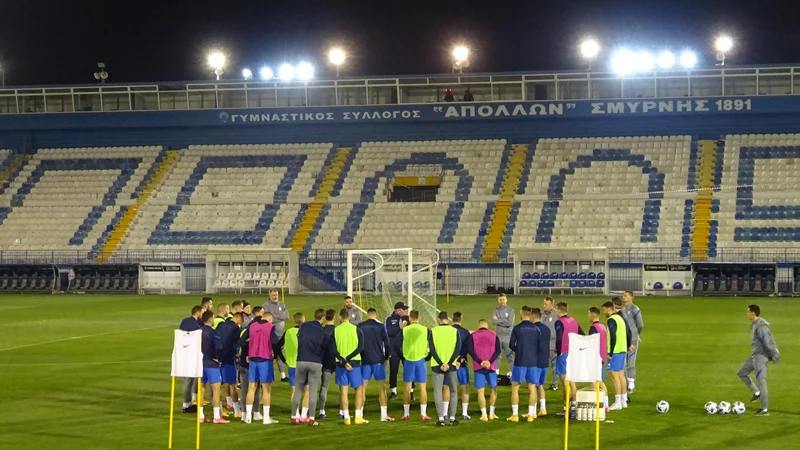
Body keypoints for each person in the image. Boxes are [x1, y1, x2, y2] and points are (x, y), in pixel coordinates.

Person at [292, 308, 334, 426]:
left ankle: (293, 416)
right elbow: (324, 348)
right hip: (315, 362)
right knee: (312, 391)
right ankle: (311, 418)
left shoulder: (304, 326)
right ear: (323, 318)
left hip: (301, 360)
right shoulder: (323, 331)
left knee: (298, 389)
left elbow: (299, 337)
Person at [239, 311, 281, 424]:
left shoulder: (252, 326)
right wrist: (275, 355)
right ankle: (266, 418)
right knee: (266, 389)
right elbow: (275, 342)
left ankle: (248, 417)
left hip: (253, 361)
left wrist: (249, 352)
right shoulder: (270, 327)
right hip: (265, 360)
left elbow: (242, 341)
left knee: (251, 388)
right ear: (270, 319)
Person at [737, 304, 780, 416]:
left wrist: (773, 355)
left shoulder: (761, 327)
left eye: (748, 312)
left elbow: (767, 342)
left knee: (761, 382)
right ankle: (757, 393)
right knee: (741, 372)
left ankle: (764, 409)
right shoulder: (755, 325)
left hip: (760, 358)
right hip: (754, 356)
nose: (746, 314)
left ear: (753, 313)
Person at [358, 308, 395, 422]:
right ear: (375, 315)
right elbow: (387, 344)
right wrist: (386, 357)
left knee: (362, 389)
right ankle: (383, 415)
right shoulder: (380, 326)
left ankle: (359, 414)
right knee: (382, 389)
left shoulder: (360, 326)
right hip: (378, 360)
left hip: (365, 361)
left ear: (367, 315)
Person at [394, 310, 431, 421]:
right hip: (421, 360)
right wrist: (428, 357)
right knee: (422, 388)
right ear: (419, 318)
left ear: (410, 318)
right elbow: (432, 345)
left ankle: (406, 414)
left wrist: (402, 357)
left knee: (407, 388)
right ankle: (423, 414)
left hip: (409, 360)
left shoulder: (404, 330)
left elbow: (395, 344)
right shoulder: (425, 330)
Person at [333, 308, 367, 425]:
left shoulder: (335, 330)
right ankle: (358, 416)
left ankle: (347, 417)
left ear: (340, 317)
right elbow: (361, 347)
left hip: (340, 364)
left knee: (343, 391)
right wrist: (349, 358)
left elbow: (333, 350)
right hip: (355, 363)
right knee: (359, 389)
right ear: (349, 317)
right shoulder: (356, 329)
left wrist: (343, 360)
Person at [507, 306, 540, 423]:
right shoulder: (536, 329)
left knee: (515, 387)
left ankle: (515, 415)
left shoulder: (517, 328)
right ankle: (531, 414)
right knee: (532, 388)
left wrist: (519, 350)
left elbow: (511, 344)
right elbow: (539, 346)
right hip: (532, 362)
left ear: (521, 313)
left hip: (520, 361)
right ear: (530, 314)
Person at [429, 311, 461, 427]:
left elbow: (432, 349)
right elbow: (458, 349)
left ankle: (441, 419)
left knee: (438, 391)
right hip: (451, 365)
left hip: (437, 365)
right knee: (453, 391)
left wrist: (441, 363)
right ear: (448, 319)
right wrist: (448, 362)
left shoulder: (433, 331)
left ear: (439, 319)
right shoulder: (454, 331)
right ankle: (452, 418)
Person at [277, 313, 310, 422]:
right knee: (307, 390)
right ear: (303, 320)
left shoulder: (288, 332)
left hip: (292, 365)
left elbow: (277, 347)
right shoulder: (306, 332)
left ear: (294, 320)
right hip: (305, 365)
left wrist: (284, 359)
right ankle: (304, 415)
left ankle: (295, 415)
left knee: (295, 391)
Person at [466, 319, 500, 421]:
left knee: (481, 391)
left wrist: (480, 361)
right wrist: (489, 361)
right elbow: (498, 350)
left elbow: (470, 350)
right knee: (493, 389)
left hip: (478, 367)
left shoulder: (473, 336)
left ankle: (484, 415)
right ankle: (492, 413)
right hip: (491, 367)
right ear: (487, 326)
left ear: (478, 326)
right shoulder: (494, 335)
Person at [554, 301, 584, 414]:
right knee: (572, 381)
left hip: (563, 354)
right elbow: (582, 334)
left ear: (559, 310)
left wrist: (559, 353)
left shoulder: (559, 322)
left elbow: (559, 338)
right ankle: (574, 406)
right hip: (573, 353)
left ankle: (566, 407)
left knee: (565, 381)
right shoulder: (574, 321)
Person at [199, 311, 228, 424]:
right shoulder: (213, 332)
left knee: (201, 389)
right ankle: (216, 416)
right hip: (211, 364)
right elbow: (218, 347)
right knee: (216, 390)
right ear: (210, 319)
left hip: (199, 363)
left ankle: (201, 416)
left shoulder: (197, 332)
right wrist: (218, 358)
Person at [216, 312, 244, 418]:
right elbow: (235, 344)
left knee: (217, 385)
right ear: (238, 319)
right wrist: (236, 353)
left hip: (217, 357)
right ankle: (237, 410)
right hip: (228, 358)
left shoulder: (221, 324)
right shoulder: (235, 328)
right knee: (232, 384)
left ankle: (219, 410)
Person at [603, 301, 631, 411]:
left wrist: (610, 352)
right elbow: (628, 332)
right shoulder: (620, 318)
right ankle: (624, 401)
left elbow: (613, 335)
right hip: (622, 349)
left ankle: (618, 402)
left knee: (614, 377)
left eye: (604, 310)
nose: (603, 312)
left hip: (615, 351)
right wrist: (628, 345)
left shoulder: (611, 320)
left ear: (609, 309)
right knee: (620, 375)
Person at [238, 306, 263, 421]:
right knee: (255, 389)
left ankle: (244, 414)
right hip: (253, 365)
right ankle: (256, 413)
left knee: (245, 390)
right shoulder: (258, 333)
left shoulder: (245, 330)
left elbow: (241, 342)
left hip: (243, 364)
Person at [262, 289, 290, 382]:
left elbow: (287, 316)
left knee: (280, 355)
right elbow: (269, 319)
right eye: (273, 295)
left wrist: (275, 316)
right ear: (269, 295)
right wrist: (280, 316)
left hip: (281, 334)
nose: (275, 297)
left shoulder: (282, 304)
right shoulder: (266, 305)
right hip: (271, 334)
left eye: (276, 295)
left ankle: (283, 376)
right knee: (270, 355)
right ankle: (267, 375)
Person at [179, 305, 203, 413]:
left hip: (184, 353)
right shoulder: (196, 325)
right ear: (197, 313)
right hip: (192, 354)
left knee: (188, 380)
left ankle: (188, 403)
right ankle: (186, 405)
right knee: (189, 380)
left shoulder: (185, 321)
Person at [384, 302, 410, 400]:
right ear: (398, 310)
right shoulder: (389, 319)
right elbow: (390, 332)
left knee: (408, 370)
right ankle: (393, 391)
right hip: (394, 349)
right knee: (393, 370)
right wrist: (399, 328)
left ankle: (410, 391)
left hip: (406, 349)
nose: (405, 311)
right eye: (404, 309)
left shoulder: (407, 318)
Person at [621, 291, 643, 395]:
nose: (623, 297)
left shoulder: (635, 309)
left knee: (631, 362)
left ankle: (631, 384)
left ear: (631, 297)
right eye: (623, 295)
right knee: (624, 362)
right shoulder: (622, 310)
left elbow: (640, 325)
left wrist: (635, 335)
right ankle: (625, 384)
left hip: (632, 339)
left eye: (625, 295)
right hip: (624, 339)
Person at [588, 307, 610, 412]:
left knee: (593, 381)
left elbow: (592, 343)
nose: (588, 316)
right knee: (600, 381)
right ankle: (606, 405)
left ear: (593, 314)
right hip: (602, 356)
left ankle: (596, 404)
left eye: (589, 313)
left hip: (595, 357)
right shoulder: (603, 327)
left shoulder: (593, 328)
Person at [530, 308, 551, 417]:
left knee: (533, 386)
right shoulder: (547, 329)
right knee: (540, 386)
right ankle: (543, 409)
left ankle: (532, 412)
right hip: (545, 360)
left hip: (535, 361)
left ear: (533, 317)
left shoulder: (532, 329)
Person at [318, 309, 337, 419]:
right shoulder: (337, 330)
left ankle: (321, 411)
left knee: (324, 387)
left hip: (325, 362)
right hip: (337, 361)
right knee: (342, 388)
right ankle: (342, 412)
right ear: (334, 317)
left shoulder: (321, 330)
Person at [452, 312, 471, 420]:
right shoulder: (465, 332)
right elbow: (467, 348)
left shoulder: (449, 331)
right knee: (464, 388)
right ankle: (464, 413)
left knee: (447, 388)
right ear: (461, 319)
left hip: (449, 364)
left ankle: (446, 413)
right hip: (462, 364)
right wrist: (460, 359)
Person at [491, 294, 515, 377]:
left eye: (503, 299)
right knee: (497, 355)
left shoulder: (511, 310)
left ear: (506, 300)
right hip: (497, 336)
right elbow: (493, 321)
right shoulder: (495, 310)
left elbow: (510, 323)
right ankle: (496, 373)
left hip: (508, 336)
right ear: (498, 300)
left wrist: (498, 320)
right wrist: (504, 321)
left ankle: (511, 373)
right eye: (500, 299)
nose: (502, 301)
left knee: (509, 356)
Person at [541, 297, 559, 390]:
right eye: (544, 304)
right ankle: (540, 383)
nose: (544, 306)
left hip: (552, 343)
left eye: (546, 304)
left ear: (551, 305)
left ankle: (555, 384)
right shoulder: (542, 314)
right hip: (543, 344)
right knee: (542, 364)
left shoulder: (556, 314)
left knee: (554, 365)